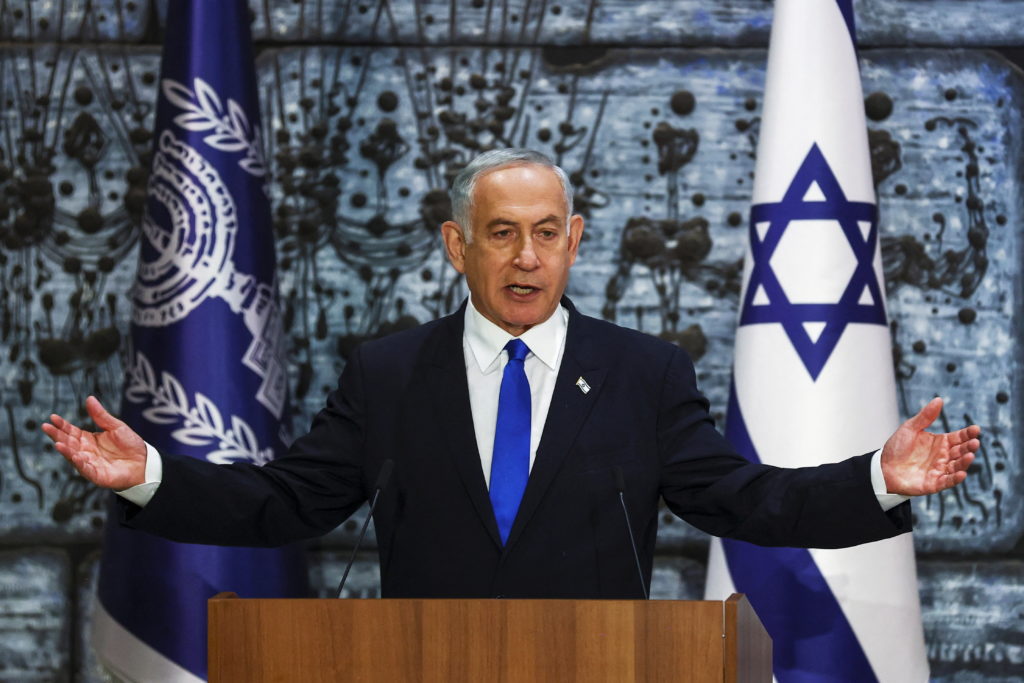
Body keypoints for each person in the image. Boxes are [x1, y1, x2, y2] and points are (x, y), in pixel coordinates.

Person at [42, 149, 979, 599]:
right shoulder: (390, 372)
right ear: (458, 246)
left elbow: (740, 500)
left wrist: (876, 478)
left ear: (574, 243)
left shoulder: (645, 372)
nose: (525, 259)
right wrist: (151, 475)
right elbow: (286, 503)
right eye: (501, 234)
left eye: (544, 235)